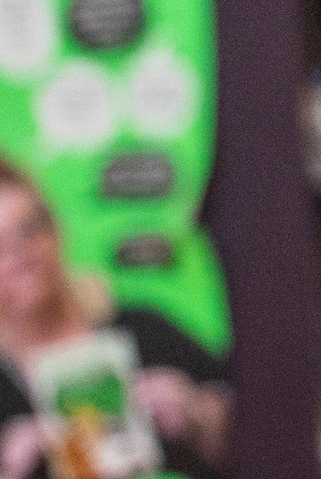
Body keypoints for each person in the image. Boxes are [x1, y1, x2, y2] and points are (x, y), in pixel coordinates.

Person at [0, 160, 228, 479]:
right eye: (0, 245)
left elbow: (265, 427)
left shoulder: (142, 329)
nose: (19, 255)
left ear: (56, 230)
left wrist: (197, 413)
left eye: (29, 230)